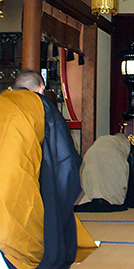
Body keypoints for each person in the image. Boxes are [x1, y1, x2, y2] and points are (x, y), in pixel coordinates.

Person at [0, 70, 87, 269]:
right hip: (19, 176)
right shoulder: (40, 104)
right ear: (41, 88)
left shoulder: (3, 99)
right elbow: (62, 157)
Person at [75, 133, 134, 212]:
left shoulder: (101, 144)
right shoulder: (129, 148)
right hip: (113, 157)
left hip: (90, 155)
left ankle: (95, 196)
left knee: (94, 175)